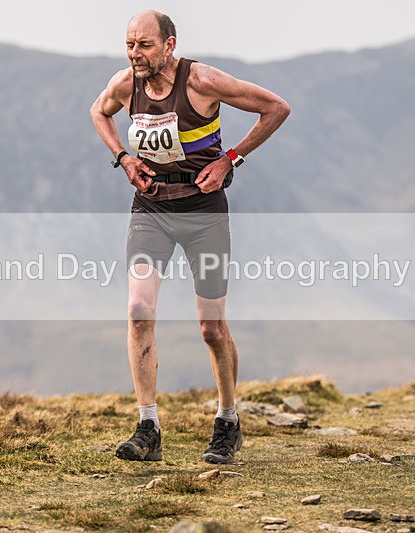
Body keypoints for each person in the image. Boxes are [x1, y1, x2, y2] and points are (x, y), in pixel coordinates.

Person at [89, 10, 289, 464]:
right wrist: (123, 157)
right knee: (139, 312)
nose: (135, 54)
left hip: (203, 213)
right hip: (152, 209)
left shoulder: (202, 81)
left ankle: (228, 421)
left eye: (143, 45)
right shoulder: (126, 84)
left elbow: (276, 107)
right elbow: (98, 111)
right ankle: (147, 427)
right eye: (129, 45)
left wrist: (230, 159)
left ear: (169, 45)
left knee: (212, 328)